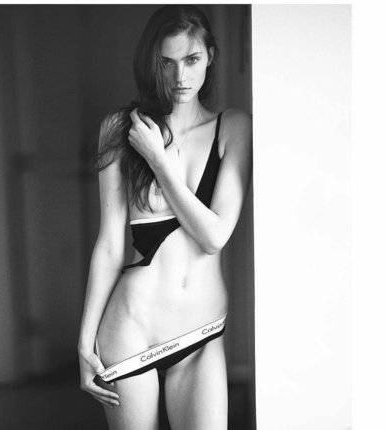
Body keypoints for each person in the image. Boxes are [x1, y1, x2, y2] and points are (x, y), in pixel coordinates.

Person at [78, 5, 252, 430]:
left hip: (201, 335)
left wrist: (158, 159)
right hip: (131, 331)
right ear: (151, 63)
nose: (180, 77)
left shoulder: (233, 128)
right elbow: (110, 245)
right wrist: (84, 342)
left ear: (210, 56)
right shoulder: (119, 130)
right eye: (166, 62)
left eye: (191, 59)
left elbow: (214, 236)